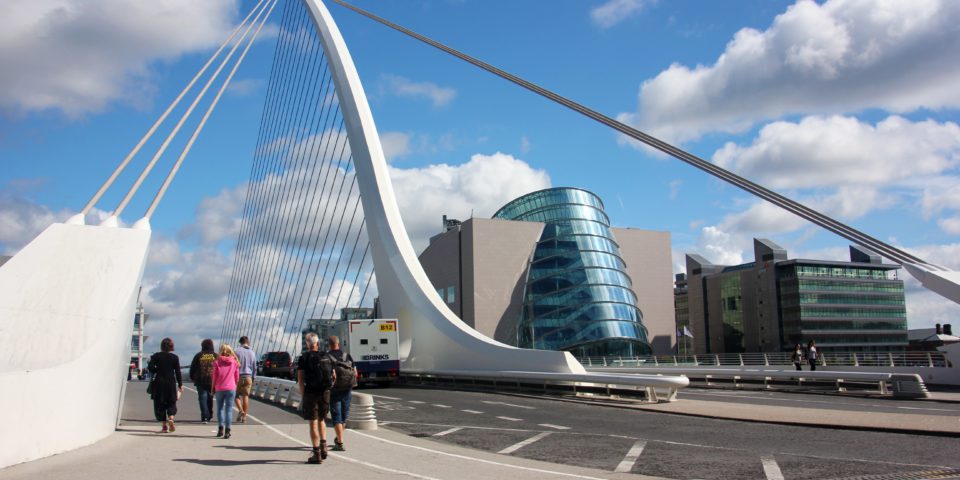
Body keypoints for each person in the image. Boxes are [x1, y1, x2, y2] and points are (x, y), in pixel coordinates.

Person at [298, 332, 334, 464]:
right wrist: (328, 389)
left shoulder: (304, 358)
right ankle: (324, 446)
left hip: (311, 392)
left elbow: (301, 379)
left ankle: (316, 453)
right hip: (324, 392)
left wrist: (304, 395)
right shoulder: (326, 356)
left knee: (313, 422)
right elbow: (333, 376)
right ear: (318, 343)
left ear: (307, 344)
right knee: (321, 419)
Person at [326, 335, 356, 452]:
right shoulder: (347, 355)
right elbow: (355, 372)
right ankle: (339, 437)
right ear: (338, 344)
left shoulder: (327, 357)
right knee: (343, 417)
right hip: (347, 390)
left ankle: (340, 443)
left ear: (329, 345)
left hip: (334, 390)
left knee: (336, 417)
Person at [148, 338, 182, 433]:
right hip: (171, 382)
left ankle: (164, 426)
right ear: (171, 347)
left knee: (160, 403)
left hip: (159, 382)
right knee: (171, 401)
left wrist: (157, 369)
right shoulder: (175, 357)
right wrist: (180, 384)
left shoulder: (156, 356)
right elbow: (178, 372)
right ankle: (171, 418)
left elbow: (150, 368)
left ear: (162, 346)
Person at [212, 344, 240, 439]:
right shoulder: (234, 362)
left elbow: (214, 377)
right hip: (231, 388)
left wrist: (212, 388)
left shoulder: (216, 362)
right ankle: (227, 431)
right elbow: (237, 377)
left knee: (220, 409)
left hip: (219, 388)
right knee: (229, 410)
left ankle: (220, 429)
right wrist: (235, 386)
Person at [189, 339, 218, 424]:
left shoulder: (198, 355)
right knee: (210, 398)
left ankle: (205, 416)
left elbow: (193, 368)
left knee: (202, 398)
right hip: (212, 380)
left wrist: (192, 377)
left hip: (200, 380)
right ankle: (209, 414)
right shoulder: (215, 356)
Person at [234, 336, 257, 423]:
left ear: (240, 342)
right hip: (248, 376)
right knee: (245, 396)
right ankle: (244, 418)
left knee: (235, 395)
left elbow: (234, 365)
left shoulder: (236, 351)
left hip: (238, 376)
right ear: (248, 342)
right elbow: (255, 367)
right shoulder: (252, 352)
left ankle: (240, 410)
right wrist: (253, 377)